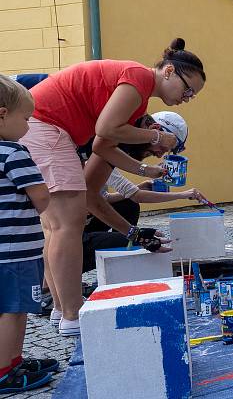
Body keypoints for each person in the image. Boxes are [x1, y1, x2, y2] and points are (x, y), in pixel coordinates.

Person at [20, 38, 206, 336]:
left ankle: (60, 308)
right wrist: (157, 140)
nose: (187, 97)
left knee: (56, 226)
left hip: (43, 125)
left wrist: (144, 173)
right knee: (68, 224)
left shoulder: (135, 105)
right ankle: (72, 314)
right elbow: (105, 131)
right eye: (187, 90)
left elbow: (102, 147)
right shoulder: (140, 78)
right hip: (47, 125)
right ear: (169, 71)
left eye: (192, 96)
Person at [80, 111, 208, 276]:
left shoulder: (110, 149)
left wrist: (145, 176)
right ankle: (56, 281)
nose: (159, 154)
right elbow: (92, 199)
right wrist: (136, 236)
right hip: (73, 234)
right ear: (154, 130)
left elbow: (109, 197)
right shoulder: (103, 150)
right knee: (129, 241)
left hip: (81, 222)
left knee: (128, 206)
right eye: (162, 147)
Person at [0, 75, 58, 393]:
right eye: (26, 118)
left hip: (3, 251)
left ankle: (12, 360)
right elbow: (41, 196)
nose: (28, 126)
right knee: (15, 309)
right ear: (3, 114)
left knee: (7, 308)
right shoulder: (13, 152)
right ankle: (6, 370)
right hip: (17, 251)